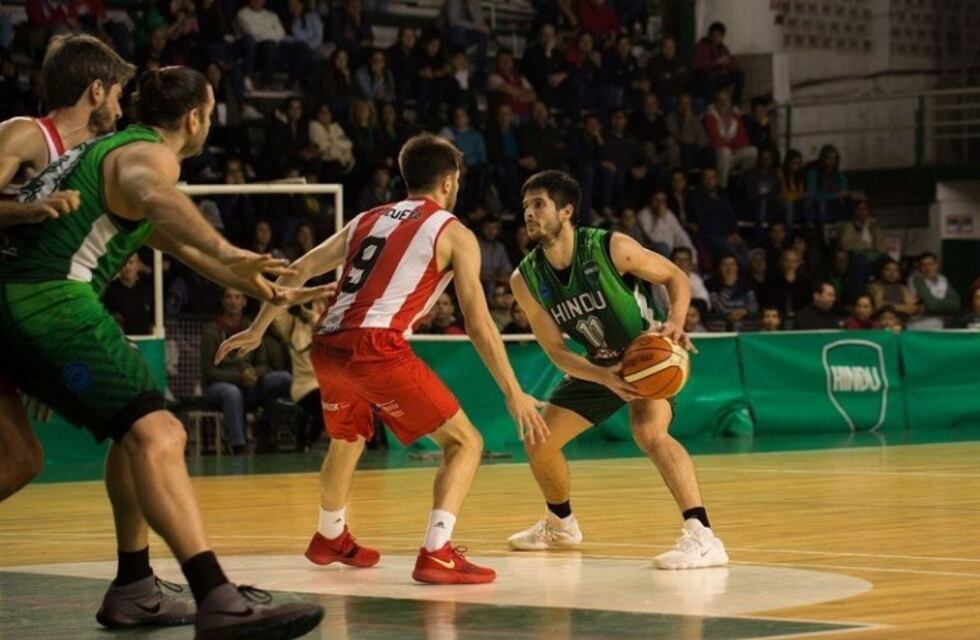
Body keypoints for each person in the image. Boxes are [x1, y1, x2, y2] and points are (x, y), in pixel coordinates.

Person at [0, 66, 328, 639]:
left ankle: (135, 588)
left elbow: (173, 240)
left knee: (26, 458)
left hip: (12, 298)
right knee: (160, 433)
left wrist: (263, 288)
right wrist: (228, 246)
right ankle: (217, 597)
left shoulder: (103, 150)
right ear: (196, 117)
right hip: (44, 299)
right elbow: (159, 196)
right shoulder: (150, 156)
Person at [215, 133, 548, 585]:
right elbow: (478, 322)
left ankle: (329, 534)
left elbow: (295, 272)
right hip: (374, 346)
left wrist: (257, 328)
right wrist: (513, 392)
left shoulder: (366, 219)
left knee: (347, 439)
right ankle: (437, 552)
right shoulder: (453, 231)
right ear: (450, 182)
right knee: (465, 443)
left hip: (327, 343)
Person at [506, 170, 728, 570]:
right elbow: (556, 351)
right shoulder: (526, 279)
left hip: (647, 357)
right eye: (525, 207)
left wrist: (676, 321)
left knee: (649, 432)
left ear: (567, 211)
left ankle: (703, 535)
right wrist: (601, 375)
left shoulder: (611, 248)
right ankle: (560, 524)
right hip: (598, 366)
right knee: (539, 440)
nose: (529, 214)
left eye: (538, 204)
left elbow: (675, 277)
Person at [201, 288, 293, 453]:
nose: (233, 301)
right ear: (223, 301)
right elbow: (209, 372)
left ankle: (265, 425)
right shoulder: (211, 330)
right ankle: (238, 446)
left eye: (237, 297)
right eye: (228, 297)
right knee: (231, 393)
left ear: (244, 301)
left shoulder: (252, 327)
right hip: (220, 385)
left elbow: (264, 363)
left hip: (250, 382)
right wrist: (239, 377)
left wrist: (253, 373)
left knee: (284, 378)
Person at [102, 253, 154, 335]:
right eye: (123, 263)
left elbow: (153, 321)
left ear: (138, 265)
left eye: (131, 262)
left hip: (144, 342)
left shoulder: (146, 291)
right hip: (119, 343)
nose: (127, 267)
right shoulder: (109, 291)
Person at [909, 251, 960, 317]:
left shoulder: (943, 279)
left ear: (937, 264)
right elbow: (932, 306)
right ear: (919, 267)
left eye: (930, 264)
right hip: (925, 318)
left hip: (946, 317)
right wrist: (946, 304)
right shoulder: (917, 280)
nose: (927, 268)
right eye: (923, 265)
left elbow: (956, 303)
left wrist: (936, 303)